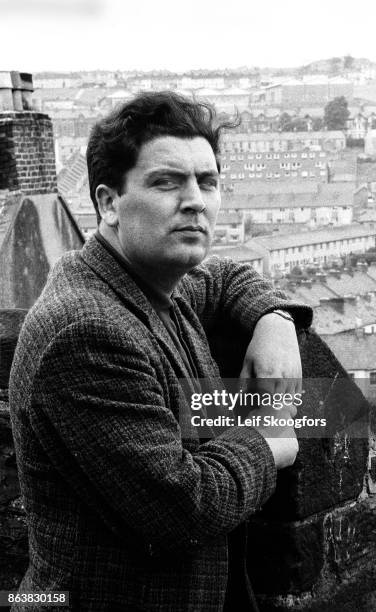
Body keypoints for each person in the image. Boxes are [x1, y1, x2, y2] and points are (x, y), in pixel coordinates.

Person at [9, 92, 312, 611]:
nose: (195, 200)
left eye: (207, 182)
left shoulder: (147, 282)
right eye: (166, 182)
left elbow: (223, 276)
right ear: (108, 204)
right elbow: (182, 506)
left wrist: (275, 319)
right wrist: (269, 440)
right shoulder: (87, 331)